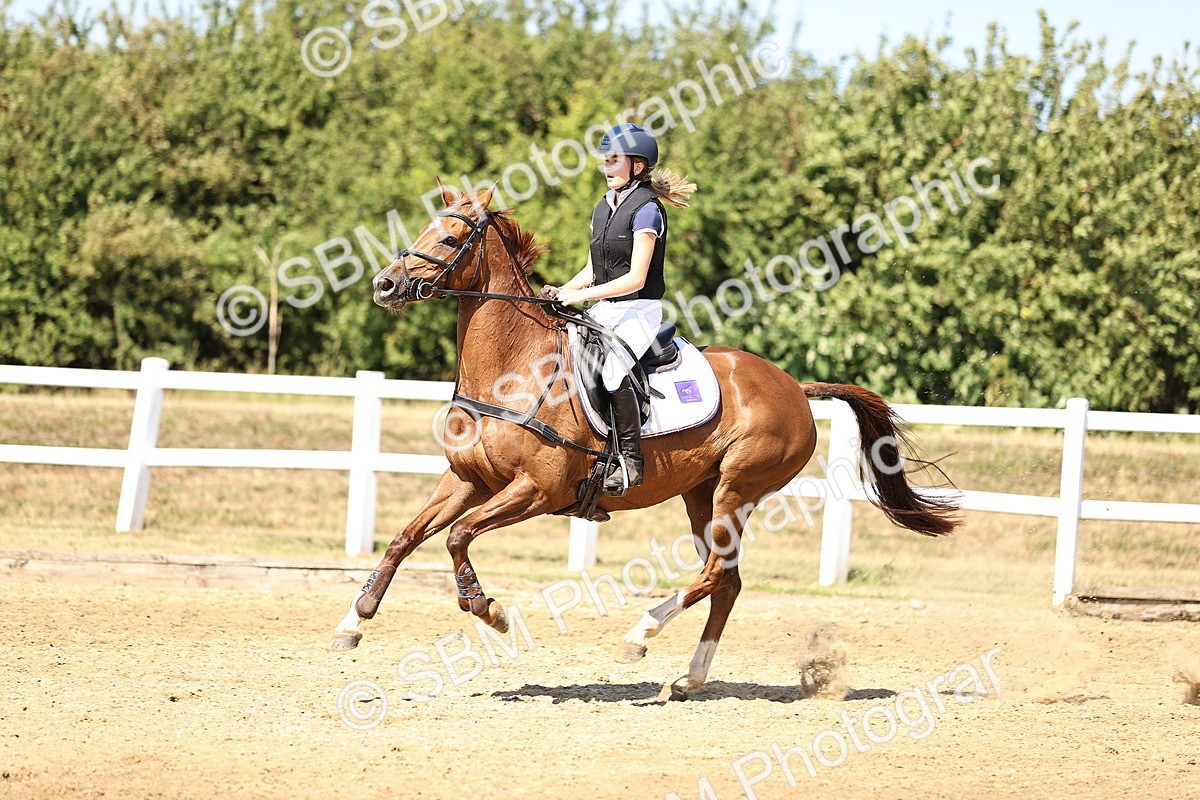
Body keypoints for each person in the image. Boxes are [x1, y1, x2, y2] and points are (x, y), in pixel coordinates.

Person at [540, 123, 696, 494]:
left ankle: (630, 460)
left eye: (615, 161)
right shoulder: (604, 206)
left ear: (638, 167)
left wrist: (581, 298)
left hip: (638, 311)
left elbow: (636, 278)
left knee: (612, 374)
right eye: (605, 161)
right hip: (606, 310)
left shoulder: (648, 212)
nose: (607, 167)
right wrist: (564, 289)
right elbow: (595, 267)